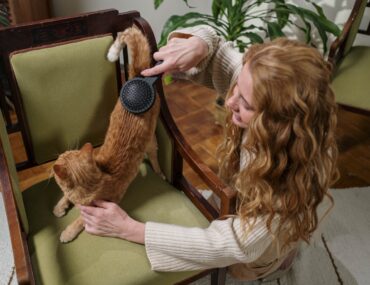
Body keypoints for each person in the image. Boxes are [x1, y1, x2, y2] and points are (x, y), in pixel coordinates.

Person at [78, 26, 339, 280]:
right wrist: (200, 42)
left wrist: (129, 229)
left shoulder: (286, 188)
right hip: (243, 198)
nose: (229, 101)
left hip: (258, 243)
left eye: (245, 104)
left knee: (242, 268)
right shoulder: (256, 80)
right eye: (237, 87)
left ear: (278, 123)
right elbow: (217, 51)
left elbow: (233, 244)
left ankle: (278, 262)